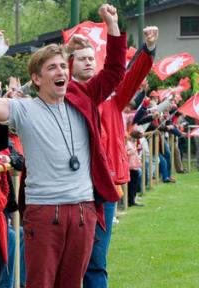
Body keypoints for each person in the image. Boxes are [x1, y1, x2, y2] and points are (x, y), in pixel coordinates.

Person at [0, 4, 125, 287]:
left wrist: (113, 26)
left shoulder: (84, 97)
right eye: (52, 68)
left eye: (62, 66)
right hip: (44, 211)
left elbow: (116, 71)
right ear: (36, 78)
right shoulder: (24, 109)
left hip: (83, 211)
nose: (61, 71)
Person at [68, 25, 158, 288]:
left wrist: (148, 48)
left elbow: (131, 75)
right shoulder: (60, 98)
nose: (89, 63)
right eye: (82, 58)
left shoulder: (112, 98)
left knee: (96, 262)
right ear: (68, 63)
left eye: (91, 58)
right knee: (71, 264)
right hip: (71, 189)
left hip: (103, 189)